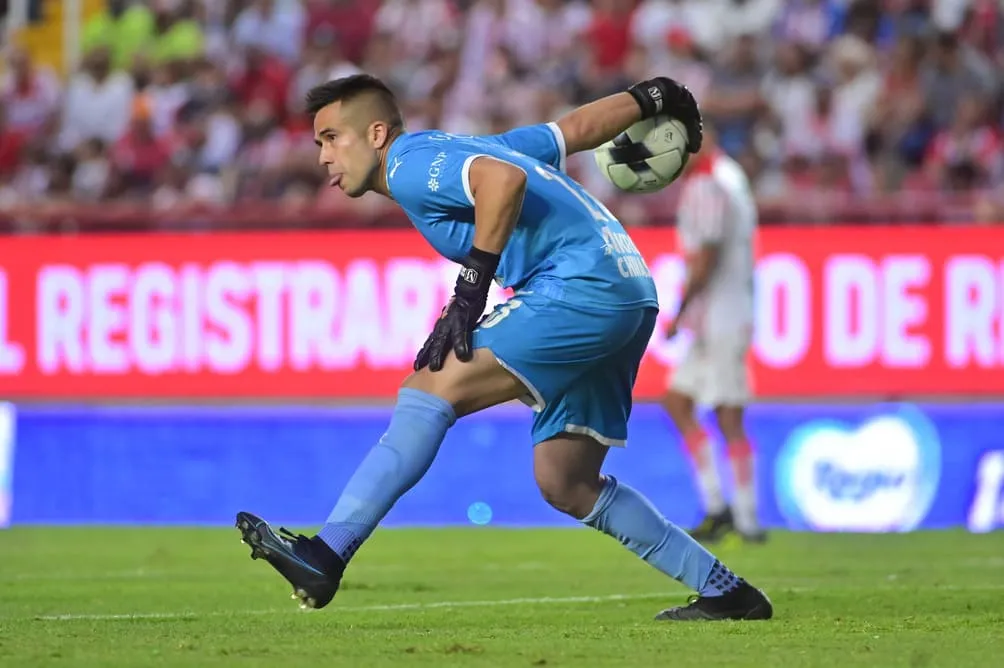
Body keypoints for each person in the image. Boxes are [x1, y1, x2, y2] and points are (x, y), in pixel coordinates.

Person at [236, 73, 773, 622]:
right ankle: (726, 590)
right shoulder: (467, 149)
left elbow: (502, 183)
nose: (322, 154)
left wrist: (469, 290)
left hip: (578, 287)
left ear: (376, 133)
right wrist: (650, 99)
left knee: (429, 388)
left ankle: (325, 553)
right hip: (629, 291)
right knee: (566, 481)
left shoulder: (409, 162)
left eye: (331, 137)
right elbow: (574, 130)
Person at [662, 128, 765, 544]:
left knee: (728, 414)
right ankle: (719, 506)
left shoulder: (709, 184)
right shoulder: (726, 177)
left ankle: (746, 517)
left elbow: (705, 256)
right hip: (719, 313)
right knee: (677, 400)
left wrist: (679, 311)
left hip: (721, 313)